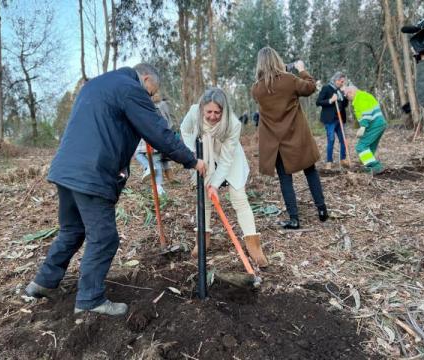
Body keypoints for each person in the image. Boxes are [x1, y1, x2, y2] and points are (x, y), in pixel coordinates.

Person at [24, 63, 206, 316]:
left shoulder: (97, 85)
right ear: (145, 78)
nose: (151, 98)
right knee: (104, 238)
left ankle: (43, 282)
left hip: (66, 169)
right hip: (92, 172)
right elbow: (158, 131)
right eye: (152, 93)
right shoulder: (131, 89)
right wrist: (192, 160)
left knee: (72, 230)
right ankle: (89, 300)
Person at [180, 88, 268, 267]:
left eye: (217, 112)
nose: (212, 116)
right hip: (203, 156)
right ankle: (202, 241)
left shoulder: (233, 124)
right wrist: (192, 155)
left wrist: (215, 184)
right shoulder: (193, 112)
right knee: (204, 199)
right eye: (209, 112)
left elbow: (227, 159)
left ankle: (254, 247)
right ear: (202, 109)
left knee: (239, 198)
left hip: (230, 157)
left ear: (224, 111)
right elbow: (185, 130)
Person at [251, 47, 328, 230]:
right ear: (277, 60)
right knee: (310, 171)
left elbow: (269, 92)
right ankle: (322, 210)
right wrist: (301, 68)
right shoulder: (290, 80)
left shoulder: (256, 89)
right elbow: (310, 87)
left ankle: (294, 219)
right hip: (296, 137)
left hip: (274, 142)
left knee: (285, 179)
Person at [133, 92, 174, 195]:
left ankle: (158, 186)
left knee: (153, 160)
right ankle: (158, 184)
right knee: (157, 160)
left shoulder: (152, 107)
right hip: (160, 136)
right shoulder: (161, 106)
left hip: (151, 136)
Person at [343, 86, 387, 174]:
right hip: (379, 123)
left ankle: (376, 167)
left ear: (351, 92)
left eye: (347, 96)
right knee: (370, 146)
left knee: (361, 146)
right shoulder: (365, 95)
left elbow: (367, 112)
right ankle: (370, 166)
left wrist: (363, 127)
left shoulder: (360, 97)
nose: (348, 98)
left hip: (374, 124)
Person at [316, 72, 350, 169]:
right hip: (330, 119)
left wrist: (345, 95)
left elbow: (345, 105)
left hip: (340, 119)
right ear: (335, 80)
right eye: (341, 81)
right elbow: (318, 102)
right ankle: (329, 162)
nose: (342, 83)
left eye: (343, 81)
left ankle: (343, 159)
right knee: (331, 140)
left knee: (343, 140)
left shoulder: (340, 90)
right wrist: (330, 100)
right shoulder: (326, 88)